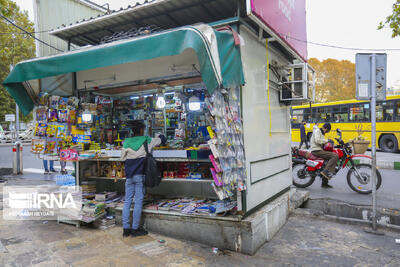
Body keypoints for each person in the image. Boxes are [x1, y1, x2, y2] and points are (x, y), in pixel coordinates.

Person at [120, 121, 166, 237]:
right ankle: (135, 229)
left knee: (127, 201)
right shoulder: (147, 140)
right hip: (140, 175)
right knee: (138, 202)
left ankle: (126, 229)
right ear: (141, 130)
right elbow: (161, 140)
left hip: (129, 176)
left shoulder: (126, 142)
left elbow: (122, 158)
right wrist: (160, 136)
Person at [310, 123, 338, 188]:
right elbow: (317, 140)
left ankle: (324, 183)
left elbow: (322, 142)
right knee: (335, 156)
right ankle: (325, 172)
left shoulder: (321, 132)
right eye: (327, 130)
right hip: (316, 150)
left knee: (327, 162)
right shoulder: (317, 131)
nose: (326, 132)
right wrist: (327, 140)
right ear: (324, 128)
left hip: (319, 149)